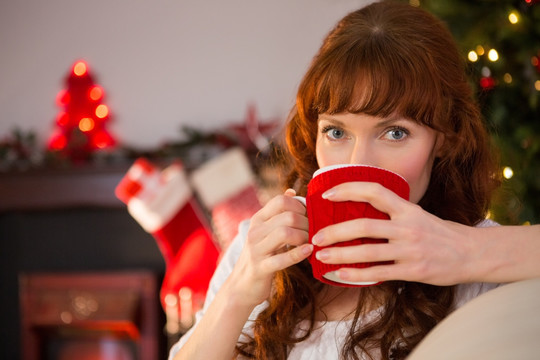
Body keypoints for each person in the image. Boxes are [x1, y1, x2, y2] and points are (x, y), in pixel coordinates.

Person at [169, 1, 540, 359]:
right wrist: (237, 296)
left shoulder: (479, 266)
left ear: (443, 139)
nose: (357, 162)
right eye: (335, 132)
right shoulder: (260, 250)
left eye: (395, 133)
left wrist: (470, 250)